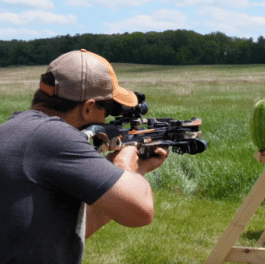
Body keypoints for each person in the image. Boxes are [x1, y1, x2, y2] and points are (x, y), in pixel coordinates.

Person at [0, 49, 169, 263]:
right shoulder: (55, 136)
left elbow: (67, 232)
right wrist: (124, 160)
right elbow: (140, 212)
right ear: (88, 108)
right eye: (108, 110)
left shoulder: (18, 130)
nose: (108, 119)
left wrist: (139, 169)